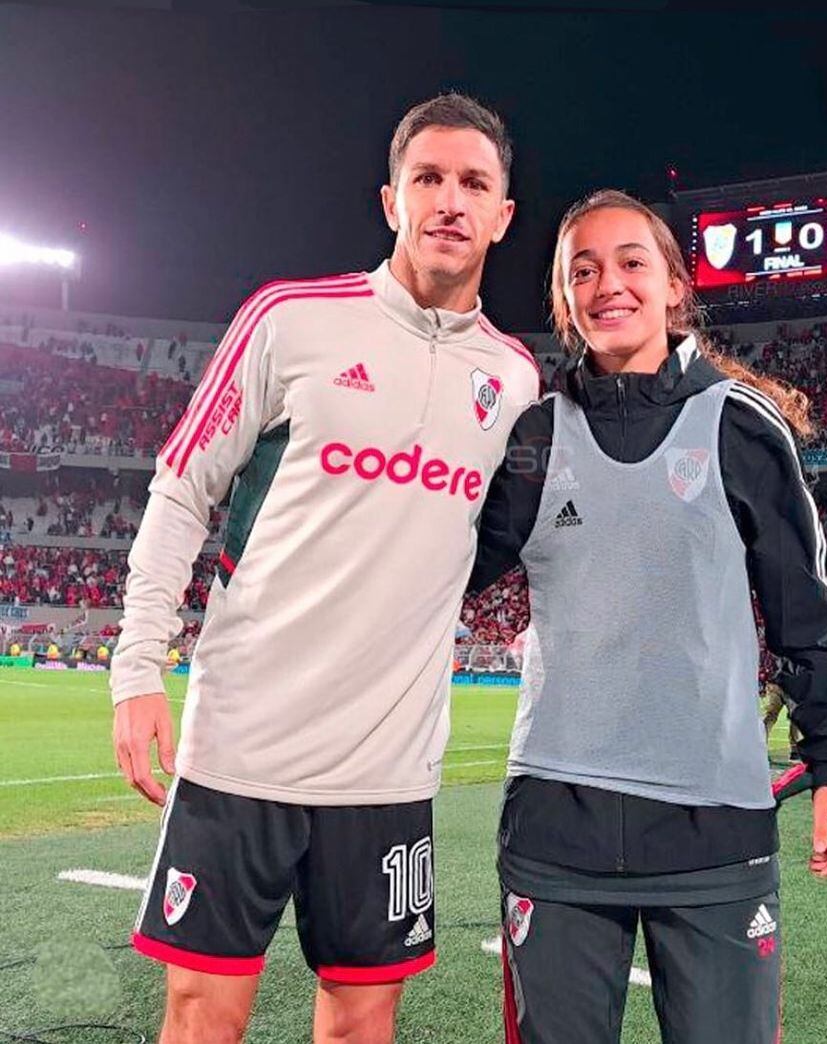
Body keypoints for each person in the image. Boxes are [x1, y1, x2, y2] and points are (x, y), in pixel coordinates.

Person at [109, 94, 539, 1044]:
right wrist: (137, 666)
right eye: (428, 178)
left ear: (504, 215)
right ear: (391, 198)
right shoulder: (291, 318)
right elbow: (181, 489)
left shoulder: (514, 381)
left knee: (359, 1021)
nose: (450, 201)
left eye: (475, 182)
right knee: (202, 1010)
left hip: (387, 767)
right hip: (241, 748)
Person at [470, 190, 827, 1044]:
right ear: (564, 300)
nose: (606, 283)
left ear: (674, 289)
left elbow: (806, 609)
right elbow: (438, 573)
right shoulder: (536, 438)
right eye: (582, 269)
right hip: (558, 828)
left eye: (629, 262)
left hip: (714, 834)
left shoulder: (740, 426)